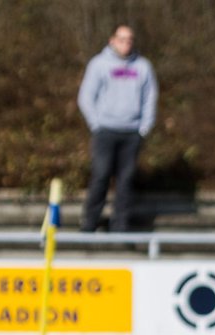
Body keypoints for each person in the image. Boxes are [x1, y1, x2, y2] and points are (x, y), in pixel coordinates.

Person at [77, 25, 158, 232]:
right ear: (112, 40)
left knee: (126, 181)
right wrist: (96, 124)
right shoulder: (99, 64)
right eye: (122, 39)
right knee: (101, 175)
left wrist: (144, 128)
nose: (126, 43)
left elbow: (150, 98)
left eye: (130, 40)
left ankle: (120, 226)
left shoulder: (143, 66)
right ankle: (89, 223)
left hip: (132, 132)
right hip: (105, 130)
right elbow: (86, 97)